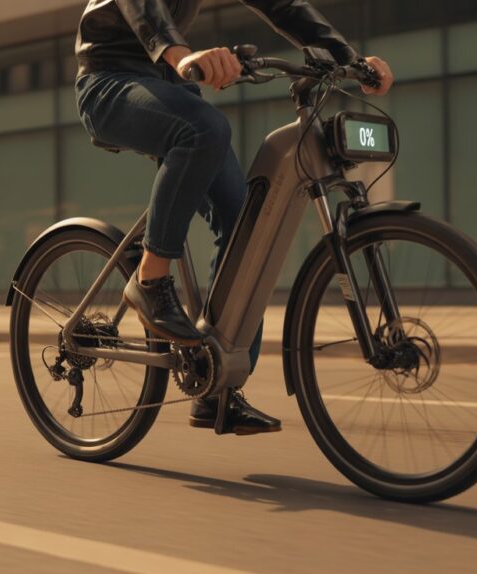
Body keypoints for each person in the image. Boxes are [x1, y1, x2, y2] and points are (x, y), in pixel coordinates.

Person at [74, 0, 393, 435]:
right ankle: (149, 280)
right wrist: (179, 52)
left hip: (172, 85)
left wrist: (349, 58)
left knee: (247, 222)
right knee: (204, 128)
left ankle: (217, 392)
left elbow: (284, 6)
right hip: (109, 82)